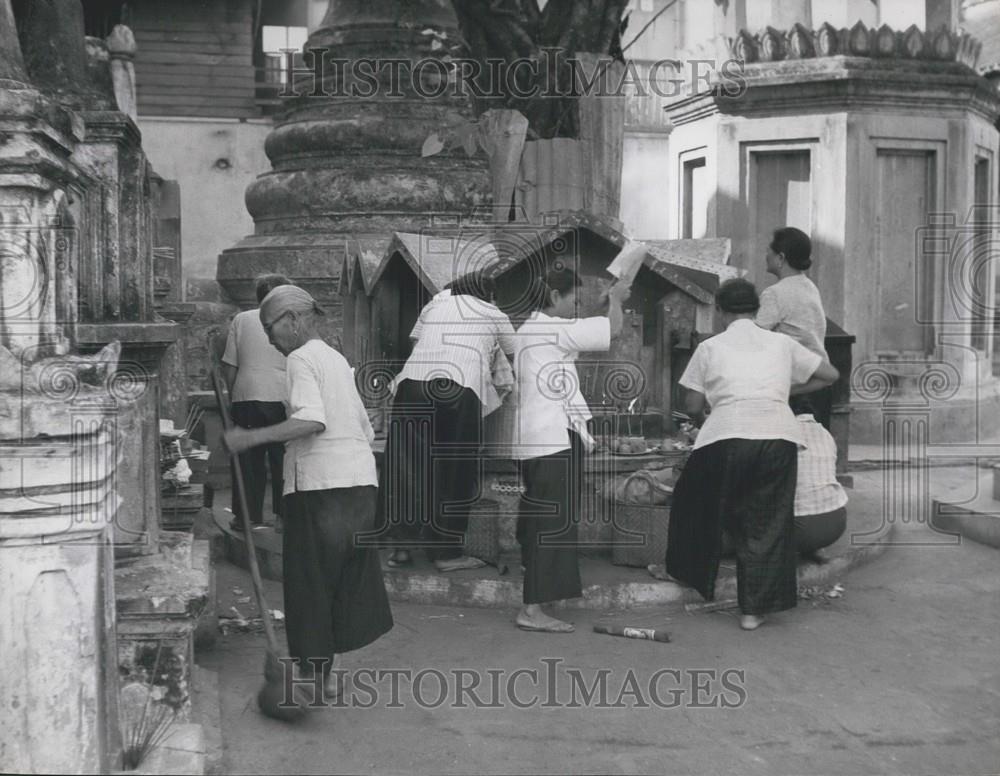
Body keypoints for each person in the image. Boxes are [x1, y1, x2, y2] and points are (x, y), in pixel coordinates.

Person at [223, 285, 393, 698]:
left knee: (310, 580)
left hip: (320, 486)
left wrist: (251, 437)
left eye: (271, 328)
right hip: (360, 483)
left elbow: (313, 420)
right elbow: (366, 428)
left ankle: (316, 676)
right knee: (339, 579)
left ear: (294, 321)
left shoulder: (300, 359)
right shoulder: (336, 359)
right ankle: (325, 674)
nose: (268, 339)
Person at [664, 278, 839, 631]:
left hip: (724, 435)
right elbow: (830, 374)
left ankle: (693, 575)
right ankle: (752, 612)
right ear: (757, 309)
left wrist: (706, 417)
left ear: (720, 311)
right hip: (778, 436)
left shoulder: (711, 347)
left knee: (693, 502)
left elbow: (692, 403)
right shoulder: (781, 343)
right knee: (767, 522)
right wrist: (782, 390)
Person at [511, 267, 629, 633]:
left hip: (535, 438)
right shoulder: (550, 329)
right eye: (572, 300)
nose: (575, 308)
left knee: (538, 518)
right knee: (552, 523)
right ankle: (531, 610)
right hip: (551, 437)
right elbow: (613, 329)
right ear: (553, 297)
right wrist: (617, 300)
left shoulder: (529, 331)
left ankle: (539, 593)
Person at [379, 271, 517, 572]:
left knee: (407, 467)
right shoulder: (493, 312)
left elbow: (415, 342)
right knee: (456, 469)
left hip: (413, 385)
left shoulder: (434, 306)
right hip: (459, 387)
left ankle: (401, 548)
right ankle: (447, 553)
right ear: (488, 293)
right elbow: (513, 353)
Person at [221, 273, 292, 531]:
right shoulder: (290, 320)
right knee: (283, 459)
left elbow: (230, 365)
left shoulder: (242, 319)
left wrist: (233, 396)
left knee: (248, 460)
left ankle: (246, 516)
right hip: (281, 397)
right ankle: (284, 517)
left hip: (247, 395)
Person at [756, 227, 827, 358]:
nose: (766, 256)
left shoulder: (774, 293)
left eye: (768, 251)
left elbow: (755, 337)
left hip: (793, 371)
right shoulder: (810, 287)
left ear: (781, 258)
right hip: (819, 366)